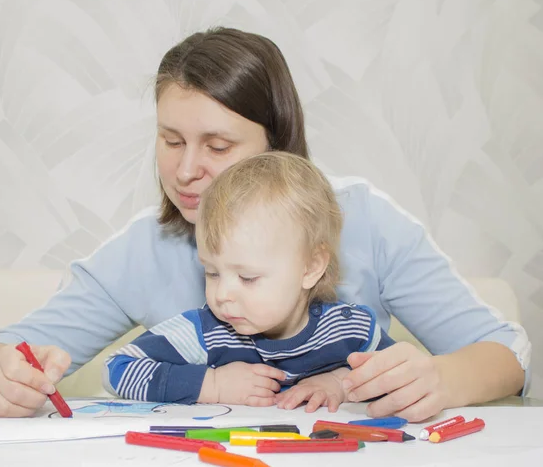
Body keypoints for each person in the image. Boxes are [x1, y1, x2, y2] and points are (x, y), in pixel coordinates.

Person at [0, 27, 530, 421]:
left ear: (277, 146)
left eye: (218, 145)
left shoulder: (367, 220)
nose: (187, 171)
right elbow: (4, 354)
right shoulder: (144, 247)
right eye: (170, 141)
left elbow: (505, 356)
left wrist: (440, 379)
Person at [103, 152, 395, 411]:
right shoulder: (207, 332)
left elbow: (398, 378)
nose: (222, 295)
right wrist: (212, 384)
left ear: (311, 267)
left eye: (247, 277)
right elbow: (117, 370)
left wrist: (340, 382)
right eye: (212, 272)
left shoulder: (351, 329)